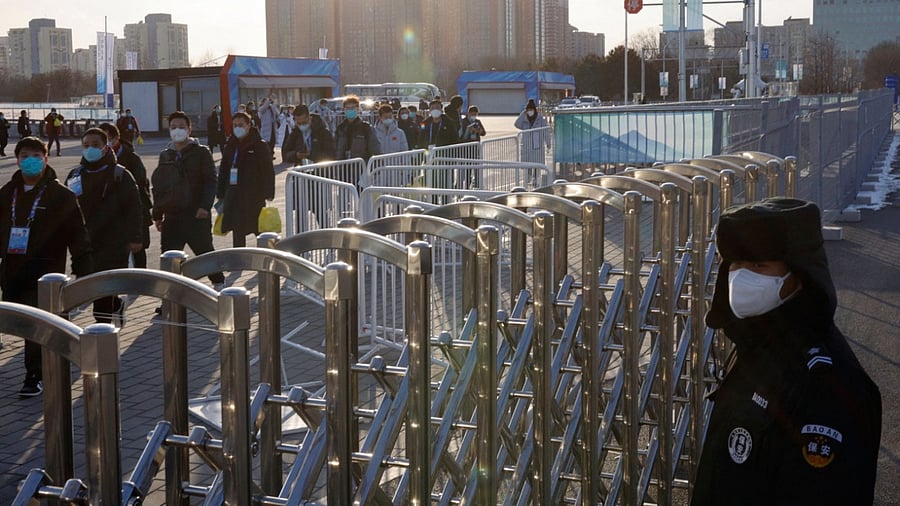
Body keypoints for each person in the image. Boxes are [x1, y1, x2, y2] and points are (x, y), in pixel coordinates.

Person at [692, 197, 881, 505]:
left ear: (799, 276)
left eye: (757, 265)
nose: (740, 278)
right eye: (735, 265)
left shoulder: (827, 387)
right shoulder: (761, 345)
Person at [0, 137, 93, 397]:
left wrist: (83, 268)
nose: (29, 160)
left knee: (37, 325)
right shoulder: (8, 193)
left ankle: (35, 375)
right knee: (19, 321)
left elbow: (77, 232)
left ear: (45, 158)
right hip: (12, 269)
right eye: (24, 155)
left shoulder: (60, 195)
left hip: (45, 271)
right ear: (17, 159)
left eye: (35, 155)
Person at [64, 128, 143, 326]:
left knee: (103, 295)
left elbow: (134, 208)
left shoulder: (120, 174)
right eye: (86, 145)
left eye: (95, 145)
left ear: (106, 148)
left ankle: (104, 332)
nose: (90, 149)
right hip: (85, 244)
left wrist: (135, 237)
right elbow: (66, 209)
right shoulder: (75, 175)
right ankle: (115, 305)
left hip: (113, 243)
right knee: (90, 287)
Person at [151, 111, 225, 290]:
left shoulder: (201, 152)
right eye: (173, 127)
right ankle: (170, 298)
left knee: (204, 253)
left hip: (196, 214)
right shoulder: (165, 155)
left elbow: (210, 181)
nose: (177, 131)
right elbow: (160, 186)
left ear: (189, 129)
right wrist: (158, 214)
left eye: (181, 127)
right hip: (172, 215)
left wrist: (204, 206)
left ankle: (219, 285)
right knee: (169, 257)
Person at [215, 112, 275, 248]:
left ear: (249, 125)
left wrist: (269, 192)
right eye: (235, 125)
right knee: (237, 230)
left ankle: (268, 256)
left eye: (241, 125)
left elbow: (267, 170)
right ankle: (239, 259)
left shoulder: (259, 145)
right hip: (234, 196)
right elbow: (224, 169)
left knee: (259, 229)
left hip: (254, 195)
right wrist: (220, 193)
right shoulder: (230, 145)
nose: (237, 128)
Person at [99, 122, 153, 269]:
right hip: (109, 217)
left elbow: (141, 184)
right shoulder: (96, 161)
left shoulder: (131, 158)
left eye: (107, 138)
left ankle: (140, 280)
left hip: (132, 211)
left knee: (137, 250)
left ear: (116, 138)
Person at [335, 95, 381, 163]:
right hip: (342, 169)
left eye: (353, 108)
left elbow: (375, 150)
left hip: (361, 169)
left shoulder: (366, 128)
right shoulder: (340, 129)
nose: (350, 110)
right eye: (348, 108)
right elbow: (335, 149)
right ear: (344, 109)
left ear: (358, 109)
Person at [514, 99, 551, 164]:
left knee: (537, 165)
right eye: (528, 110)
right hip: (527, 145)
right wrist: (523, 114)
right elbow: (517, 124)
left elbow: (546, 131)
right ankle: (529, 174)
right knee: (528, 165)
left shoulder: (540, 119)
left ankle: (536, 174)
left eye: (531, 110)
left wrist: (548, 143)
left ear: (534, 110)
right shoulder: (524, 119)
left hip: (537, 145)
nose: (530, 112)